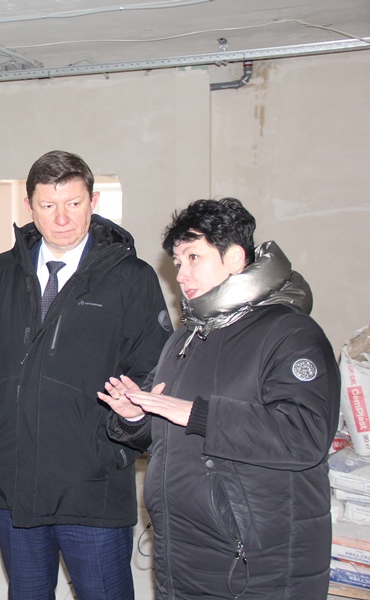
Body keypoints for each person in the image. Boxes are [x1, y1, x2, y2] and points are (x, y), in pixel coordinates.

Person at [0, 150, 171, 600]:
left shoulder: (131, 278)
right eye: (48, 205)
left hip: (90, 479)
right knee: (28, 592)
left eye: (73, 203)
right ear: (29, 206)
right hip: (13, 475)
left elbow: (152, 368)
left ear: (94, 201)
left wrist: (116, 444)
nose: (62, 218)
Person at [100, 198, 339, 599]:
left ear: (234, 258)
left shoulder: (290, 333)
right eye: (177, 262)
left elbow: (305, 434)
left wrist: (198, 414)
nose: (182, 274)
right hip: (183, 553)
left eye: (194, 257)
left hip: (257, 565)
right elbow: (166, 429)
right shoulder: (186, 337)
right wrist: (134, 416)